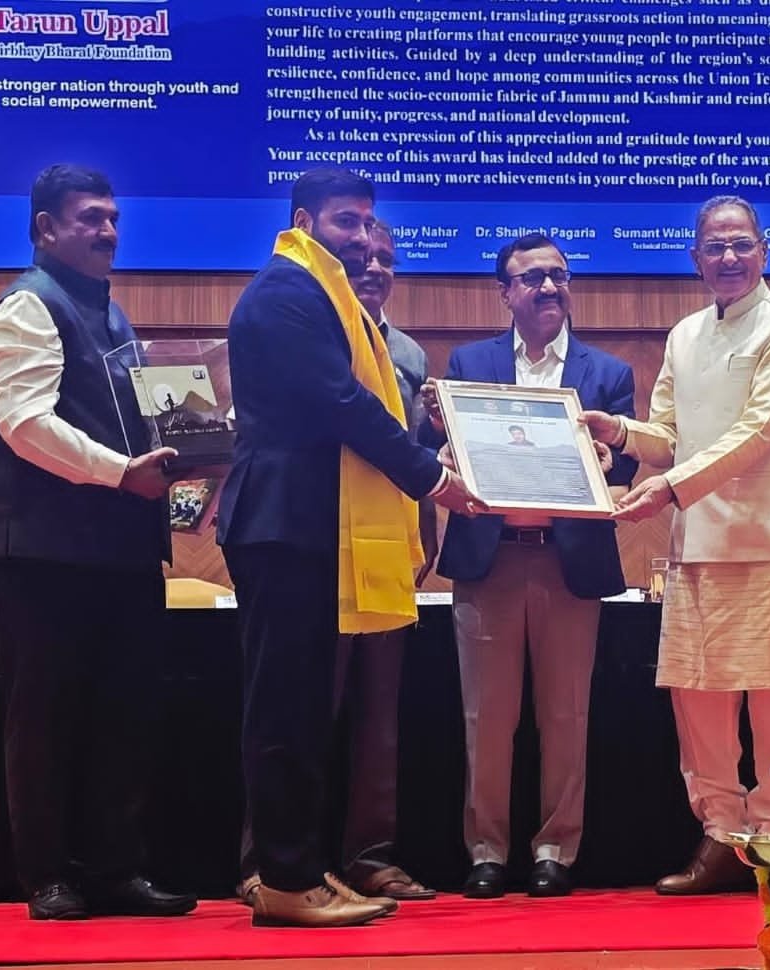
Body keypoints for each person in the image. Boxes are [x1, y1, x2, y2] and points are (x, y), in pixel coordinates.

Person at [217, 168, 479, 927]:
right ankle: (285, 881)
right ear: (304, 222)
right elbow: (343, 404)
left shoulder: (321, 293)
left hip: (307, 524)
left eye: (368, 223)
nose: (362, 239)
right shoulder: (287, 293)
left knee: (304, 711)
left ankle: (301, 870)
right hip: (285, 524)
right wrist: (433, 477)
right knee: (286, 710)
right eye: (345, 222)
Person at [581, 196, 770, 896]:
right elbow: (670, 435)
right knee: (699, 700)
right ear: (695, 258)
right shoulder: (685, 334)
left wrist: (668, 488)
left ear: (764, 251)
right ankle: (721, 834)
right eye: (715, 246)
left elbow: (760, 430)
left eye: (741, 244)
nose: (729, 257)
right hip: (698, 542)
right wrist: (620, 433)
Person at [0, 163, 196, 920]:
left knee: (124, 712)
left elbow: (139, 427)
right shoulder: (27, 307)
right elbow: (24, 424)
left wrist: (192, 468)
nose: (108, 231)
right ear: (45, 229)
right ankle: (47, 875)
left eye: (113, 218)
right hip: (42, 550)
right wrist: (122, 473)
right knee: (46, 714)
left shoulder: (114, 315)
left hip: (121, 546)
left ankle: (114, 869)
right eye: (90, 217)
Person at [419, 233, 637, 899]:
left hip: (568, 565)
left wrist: (611, 462)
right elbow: (439, 452)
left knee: (567, 716)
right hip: (490, 562)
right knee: (486, 719)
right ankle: (486, 852)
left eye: (558, 276)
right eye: (533, 278)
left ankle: (554, 852)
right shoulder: (470, 363)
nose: (548, 287)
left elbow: (625, 465)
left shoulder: (608, 373)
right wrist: (437, 429)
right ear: (505, 293)